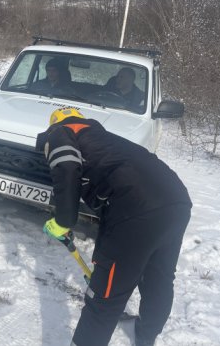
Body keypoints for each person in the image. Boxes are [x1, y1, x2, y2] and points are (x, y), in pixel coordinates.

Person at [37, 107, 192, 346]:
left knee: (104, 297)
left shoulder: (62, 133)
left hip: (138, 209)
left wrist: (63, 221)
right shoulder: (104, 139)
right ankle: (145, 335)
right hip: (177, 201)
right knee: (159, 276)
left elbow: (66, 168)